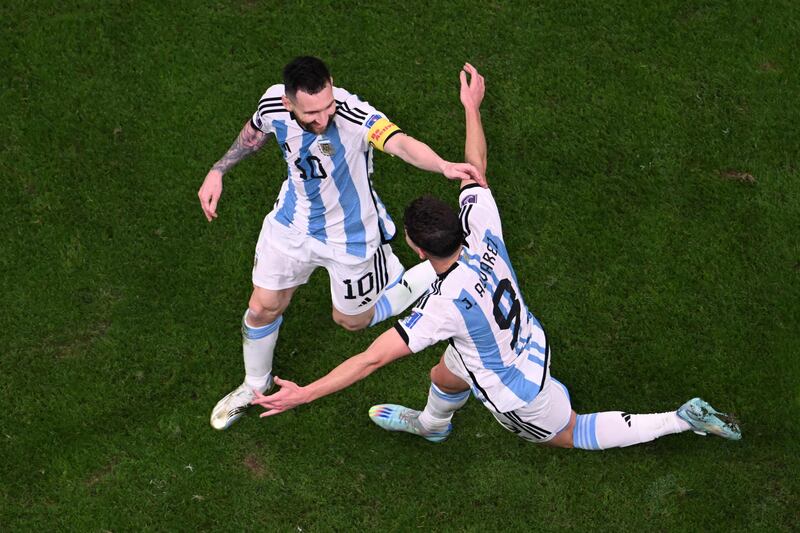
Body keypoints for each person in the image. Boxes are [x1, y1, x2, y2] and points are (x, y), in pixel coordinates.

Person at [250, 63, 742, 449]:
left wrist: (305, 394)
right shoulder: (481, 227)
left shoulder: (442, 307)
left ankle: (679, 420)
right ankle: (431, 427)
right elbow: (475, 169)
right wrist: (471, 107)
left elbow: (370, 361)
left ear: (418, 247)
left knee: (571, 432)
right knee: (442, 373)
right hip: (507, 337)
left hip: (518, 389)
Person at [200, 56, 484, 430]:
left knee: (351, 322)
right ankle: (255, 385)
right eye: (312, 113)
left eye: (327, 106)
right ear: (289, 103)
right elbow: (254, 133)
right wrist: (218, 170)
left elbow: (401, 144)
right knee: (262, 308)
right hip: (292, 224)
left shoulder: (353, 115)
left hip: (351, 237)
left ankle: (414, 280)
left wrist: (442, 165)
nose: (323, 118)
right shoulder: (273, 103)